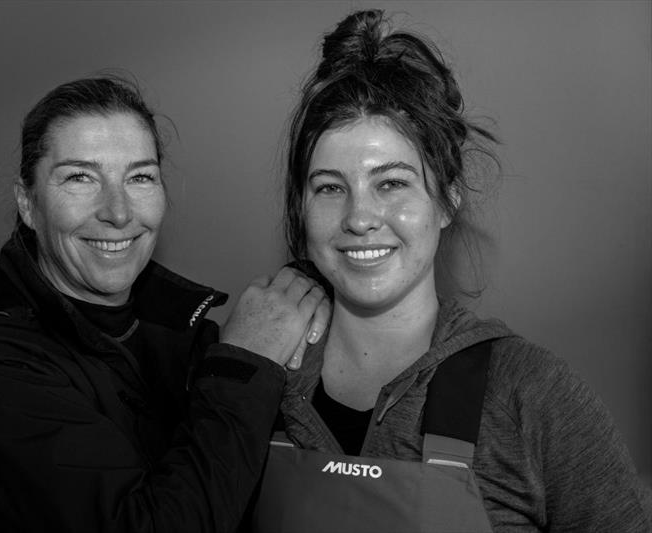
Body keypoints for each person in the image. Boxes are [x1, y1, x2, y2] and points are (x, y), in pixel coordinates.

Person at [249, 9, 652, 532]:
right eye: (329, 187)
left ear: (447, 200)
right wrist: (237, 372)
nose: (359, 218)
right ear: (301, 210)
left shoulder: (534, 396)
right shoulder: (254, 387)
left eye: (391, 183)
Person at [0, 76, 329, 532]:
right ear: (27, 203)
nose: (118, 212)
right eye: (80, 177)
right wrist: (245, 364)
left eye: (140, 177)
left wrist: (319, 287)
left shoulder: (170, 327)